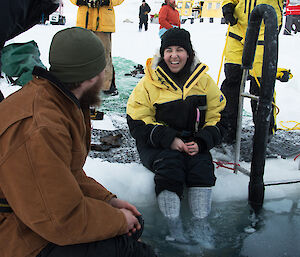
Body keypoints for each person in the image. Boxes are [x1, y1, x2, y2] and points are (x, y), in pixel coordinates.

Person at [0, 27, 156, 257]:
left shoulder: (58, 99)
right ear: (92, 76)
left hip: (33, 212)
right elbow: (60, 220)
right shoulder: (41, 126)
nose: (106, 77)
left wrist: (109, 202)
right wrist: (118, 221)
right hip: (15, 233)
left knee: (132, 228)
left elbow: (66, 174)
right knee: (129, 249)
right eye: (104, 70)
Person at [126, 28, 226, 245]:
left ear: (189, 53)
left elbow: (219, 116)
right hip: (157, 144)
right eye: (168, 50)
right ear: (162, 54)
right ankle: (174, 228)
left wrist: (201, 141)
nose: (174, 55)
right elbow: (136, 119)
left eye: (180, 49)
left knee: (202, 166)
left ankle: (201, 225)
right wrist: (168, 139)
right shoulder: (149, 82)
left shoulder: (204, 81)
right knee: (170, 165)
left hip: (192, 140)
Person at [220, 0, 284, 144]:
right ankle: (228, 128)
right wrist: (228, 5)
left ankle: (264, 129)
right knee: (231, 81)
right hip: (237, 29)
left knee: (261, 84)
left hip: (264, 29)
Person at [70, 0, 124, 96]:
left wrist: (108, 1)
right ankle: (82, 83)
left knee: (104, 55)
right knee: (82, 55)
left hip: (103, 23)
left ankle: (107, 86)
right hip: (85, 23)